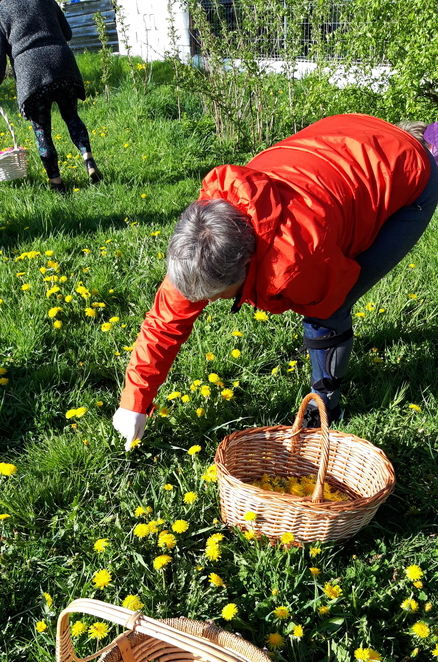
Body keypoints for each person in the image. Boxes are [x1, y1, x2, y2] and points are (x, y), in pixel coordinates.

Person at [113, 113, 438, 450]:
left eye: (213, 296)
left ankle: (326, 406)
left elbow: (329, 297)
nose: (205, 303)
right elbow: (165, 322)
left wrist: (319, 324)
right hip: (342, 140)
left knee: (329, 309)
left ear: (245, 268)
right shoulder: (202, 244)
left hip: (406, 172)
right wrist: (133, 403)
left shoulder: (297, 261)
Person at [0, 0, 102, 193]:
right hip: (61, 62)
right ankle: (88, 158)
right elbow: (68, 33)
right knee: (72, 116)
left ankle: (57, 183)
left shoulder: (2, 8)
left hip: (31, 72)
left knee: (41, 131)